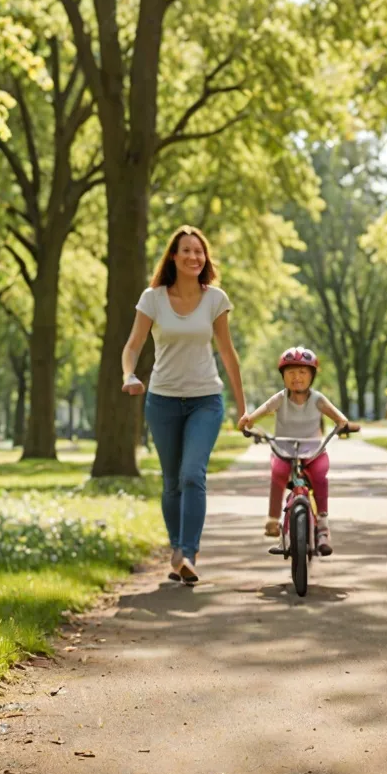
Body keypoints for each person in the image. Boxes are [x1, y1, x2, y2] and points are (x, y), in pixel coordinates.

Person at [121, 225, 247, 585]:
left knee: (193, 474)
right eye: (187, 250)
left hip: (205, 400)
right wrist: (129, 374)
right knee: (172, 482)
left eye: (199, 251)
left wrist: (242, 408)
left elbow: (227, 353)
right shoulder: (153, 298)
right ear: (173, 257)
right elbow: (133, 345)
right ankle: (176, 549)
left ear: (205, 258)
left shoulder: (215, 299)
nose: (194, 256)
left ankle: (189, 553)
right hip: (162, 401)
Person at [237, 347, 358, 556]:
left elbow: (339, 418)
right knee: (278, 473)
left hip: (314, 452)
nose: (297, 377)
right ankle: (273, 521)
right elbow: (257, 414)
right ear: (283, 376)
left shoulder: (318, 399)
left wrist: (344, 425)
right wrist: (248, 422)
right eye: (291, 372)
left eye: (302, 372)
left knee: (319, 477)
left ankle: (323, 527)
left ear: (312, 376)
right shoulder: (280, 398)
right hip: (284, 451)